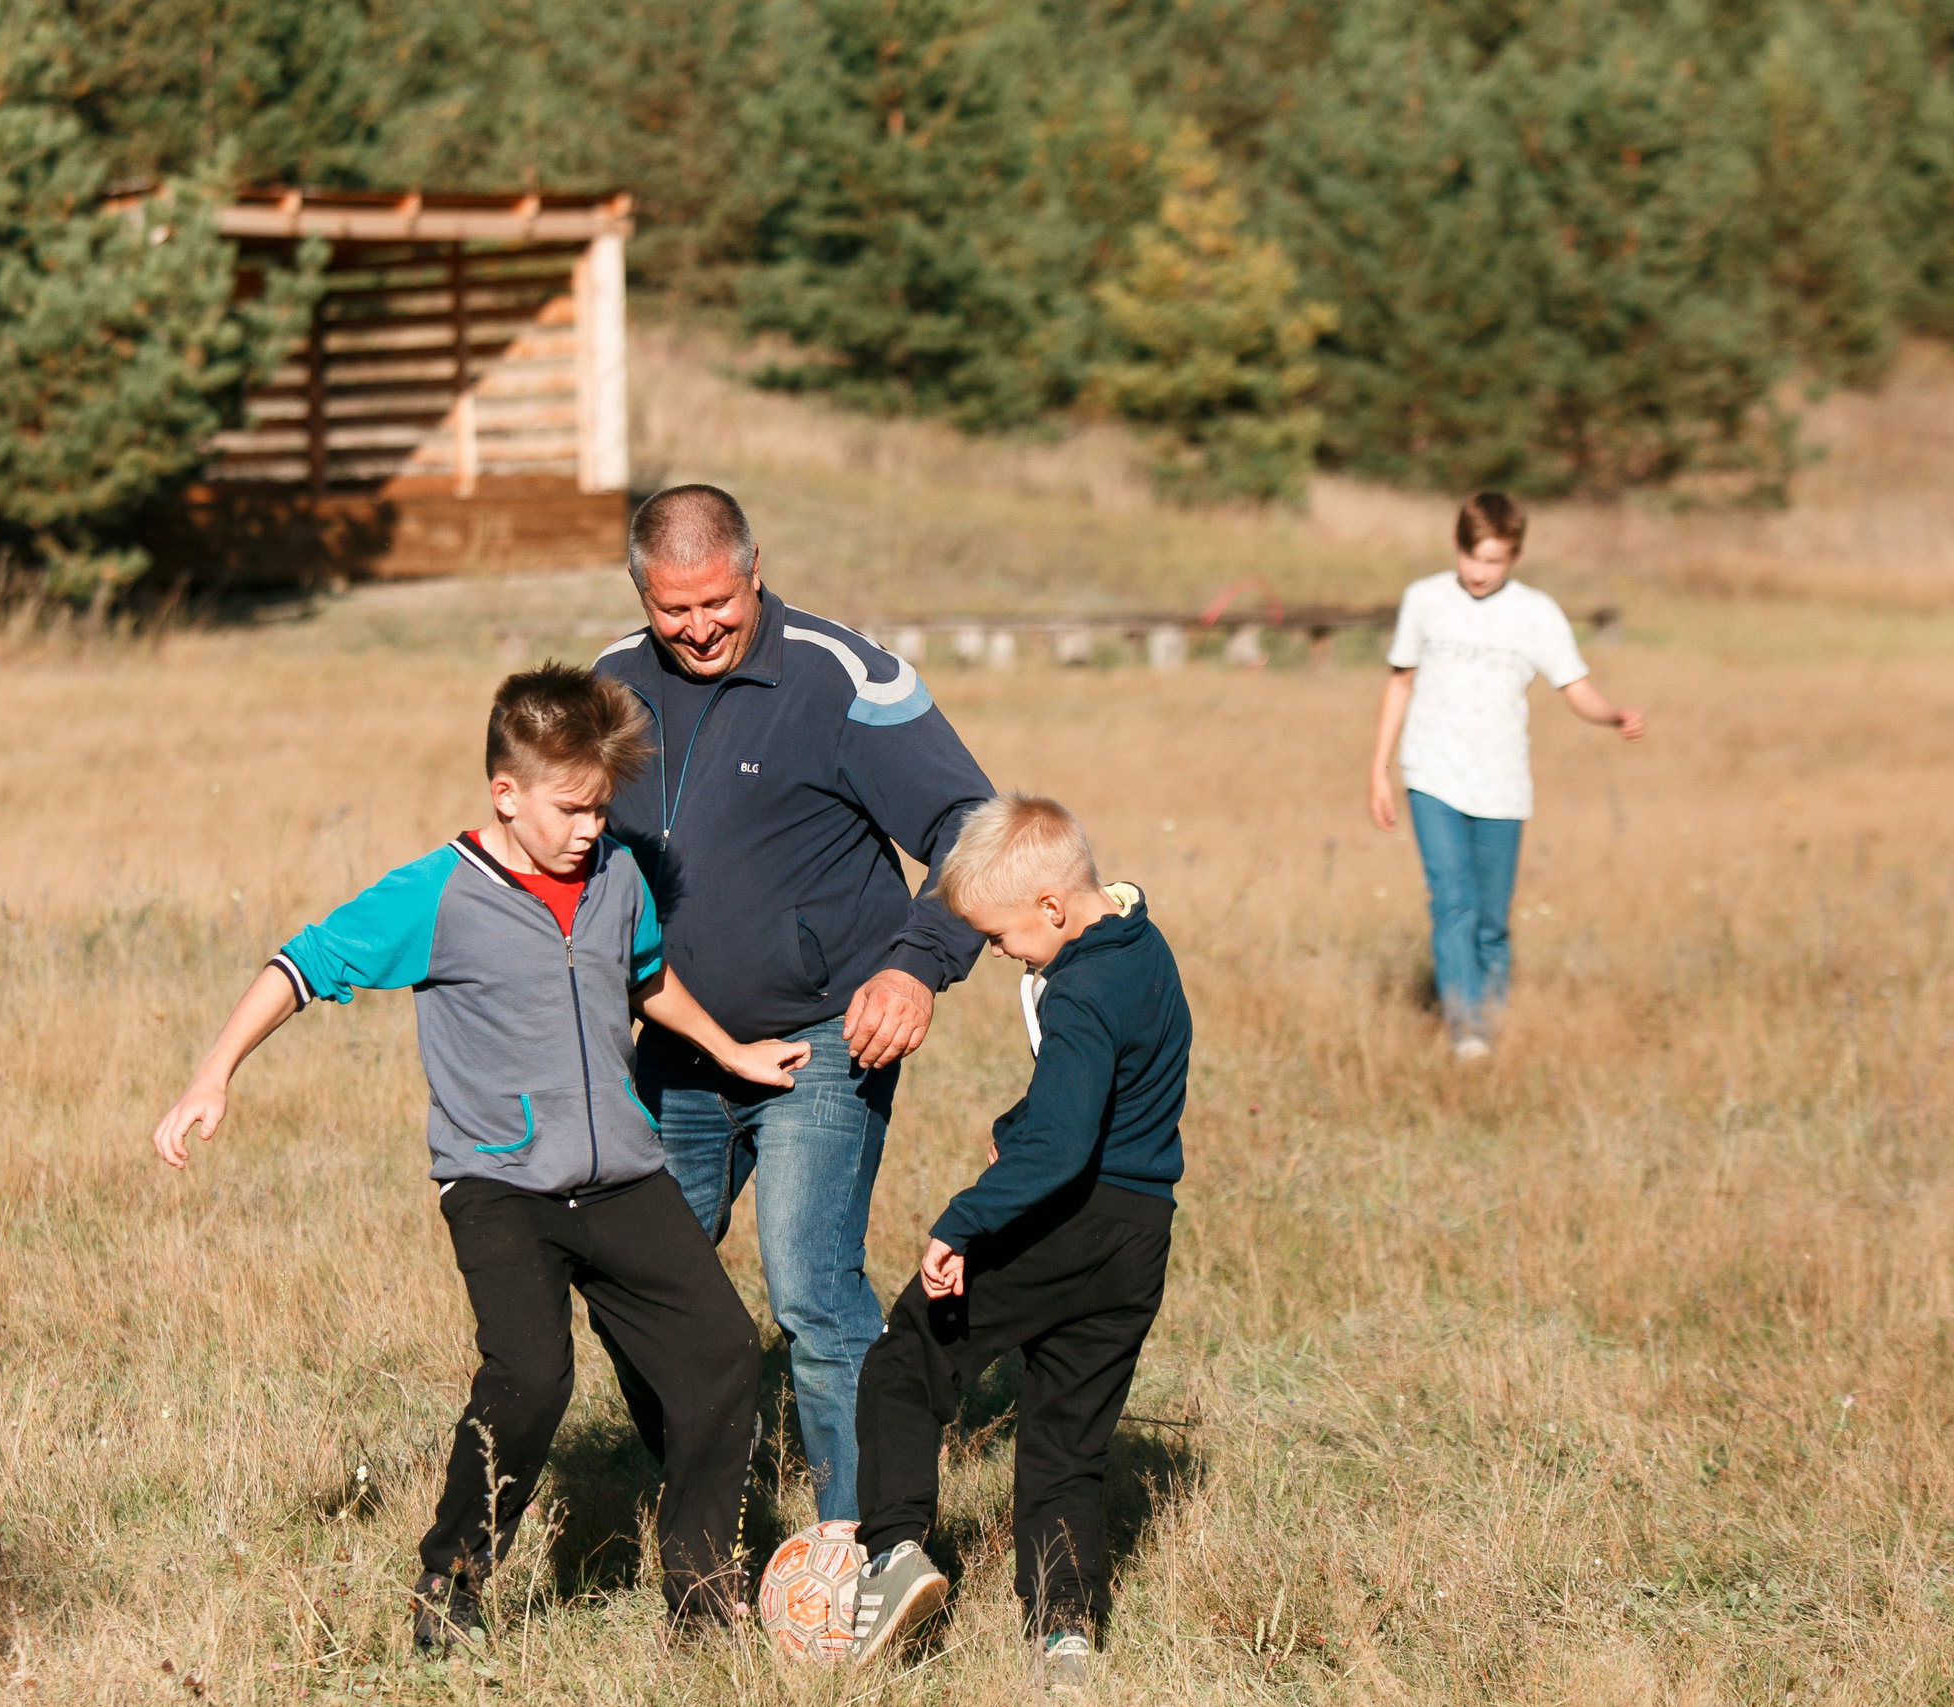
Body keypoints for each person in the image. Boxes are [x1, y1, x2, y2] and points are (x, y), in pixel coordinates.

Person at [146, 665, 810, 1648]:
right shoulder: (438, 893)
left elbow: (645, 978)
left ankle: (703, 1596)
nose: (590, 827)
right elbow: (301, 963)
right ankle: (449, 1584)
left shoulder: (617, 875)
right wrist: (213, 1074)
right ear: (506, 792)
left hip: (625, 1175)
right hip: (501, 1184)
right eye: (571, 808)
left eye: (601, 807)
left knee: (721, 1352)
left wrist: (729, 1049)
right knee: (532, 1377)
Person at [590, 485, 993, 1522]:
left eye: (717, 602)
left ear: (754, 570)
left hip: (825, 1034)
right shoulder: (608, 686)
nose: (698, 628)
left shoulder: (844, 677)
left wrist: (917, 965)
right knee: (633, 1288)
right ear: (641, 594)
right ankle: (705, 1507)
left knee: (811, 1291)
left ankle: (859, 1540)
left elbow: (971, 824)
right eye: (673, 609)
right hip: (675, 1042)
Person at [843, 795, 1190, 1692]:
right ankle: (1064, 1635)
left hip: (1064, 1220)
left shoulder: (1079, 989)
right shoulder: (1141, 945)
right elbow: (1094, 1091)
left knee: (905, 1359)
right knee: (1067, 1440)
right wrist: (1016, 1124)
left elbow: (1065, 1143)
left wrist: (962, 1221)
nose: (998, 952)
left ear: (1051, 905)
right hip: (1138, 1234)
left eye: (999, 935)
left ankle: (891, 1555)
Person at [1366, 491, 1644, 1058]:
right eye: (1471, 557)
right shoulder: (1424, 600)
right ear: (1456, 546)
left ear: (1515, 556)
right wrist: (1379, 769)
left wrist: (1613, 714)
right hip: (1431, 775)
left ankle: (1488, 1018)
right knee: (1452, 903)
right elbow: (1399, 682)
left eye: (1493, 561)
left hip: (1502, 784)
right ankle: (1467, 1032)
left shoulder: (1536, 613)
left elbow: (1576, 688)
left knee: (1491, 921)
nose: (1479, 572)